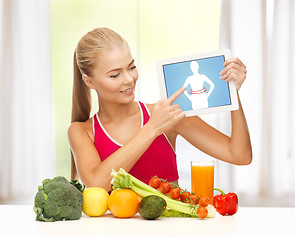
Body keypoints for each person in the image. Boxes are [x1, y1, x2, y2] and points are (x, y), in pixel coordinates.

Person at [68, 27, 252, 192]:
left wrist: (232, 92)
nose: (129, 79)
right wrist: (151, 128)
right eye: (115, 75)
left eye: (131, 67)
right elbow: (96, 184)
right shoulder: (82, 132)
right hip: (114, 231)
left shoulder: (168, 115)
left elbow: (239, 155)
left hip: (171, 229)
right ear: (89, 81)